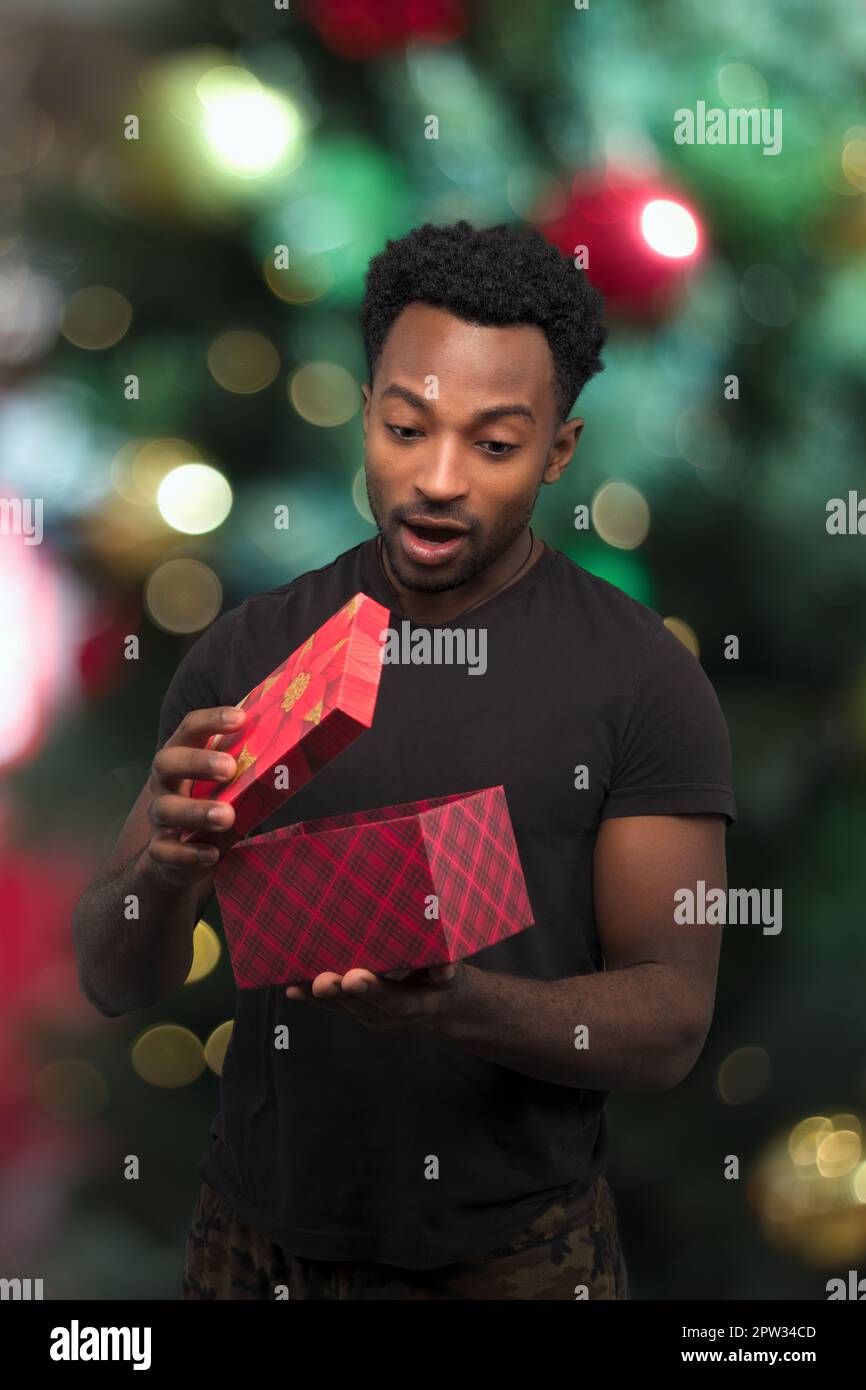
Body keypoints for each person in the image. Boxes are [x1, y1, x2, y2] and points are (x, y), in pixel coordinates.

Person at [72, 219, 736, 1300]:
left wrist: (456, 1003)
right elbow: (111, 975)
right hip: (253, 1247)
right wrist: (163, 866)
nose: (435, 479)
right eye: (404, 425)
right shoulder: (249, 652)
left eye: (492, 442)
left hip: (516, 1256)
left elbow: (668, 1023)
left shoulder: (640, 683)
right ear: (365, 409)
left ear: (558, 451)